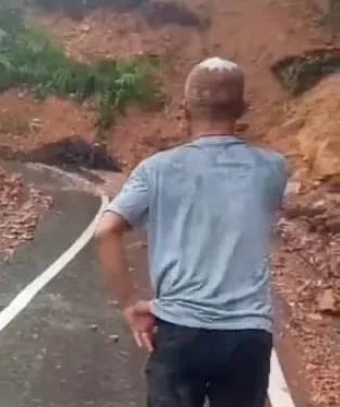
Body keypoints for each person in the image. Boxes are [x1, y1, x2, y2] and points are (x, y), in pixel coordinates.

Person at [96, 58, 289, 407]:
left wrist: (130, 304)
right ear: (243, 109)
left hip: (179, 331)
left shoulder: (156, 170)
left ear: (183, 109)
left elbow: (106, 231)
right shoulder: (273, 169)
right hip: (248, 335)